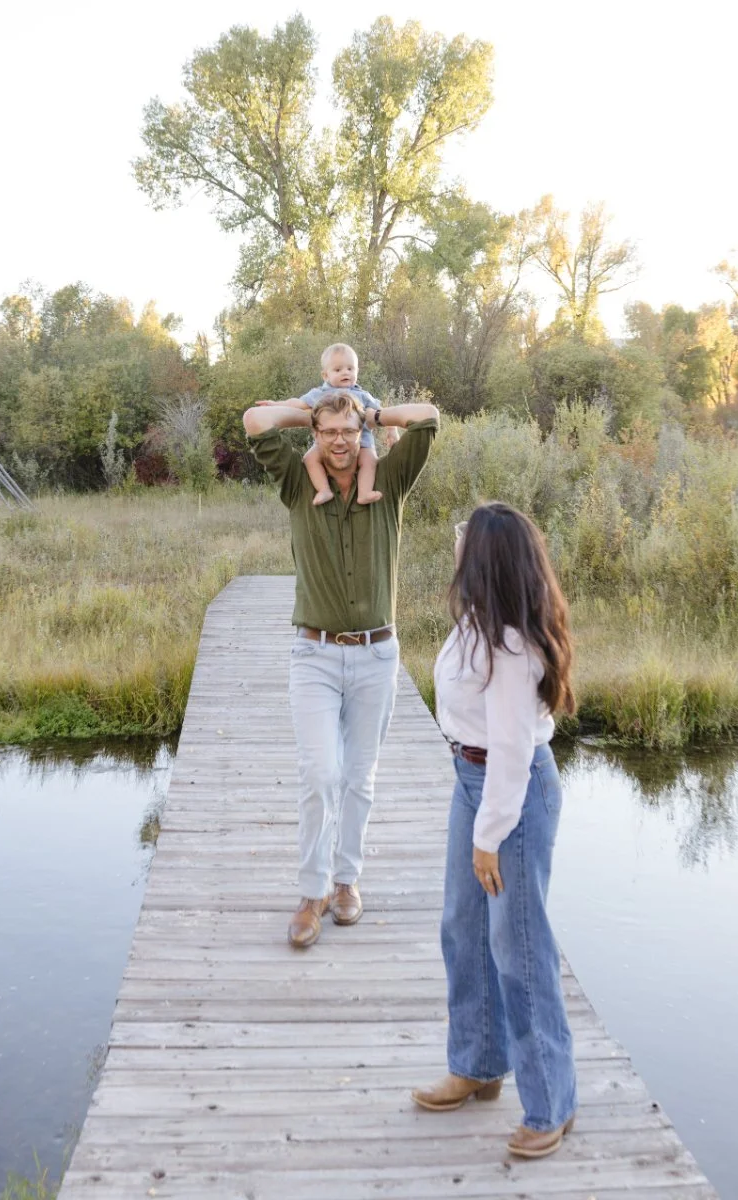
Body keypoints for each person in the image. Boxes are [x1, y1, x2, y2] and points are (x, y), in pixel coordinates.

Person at [242, 389, 439, 949]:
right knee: (320, 776)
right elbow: (256, 421)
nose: (338, 441)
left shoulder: (389, 482)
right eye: (327, 432)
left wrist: (369, 413)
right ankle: (313, 892)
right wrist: (311, 412)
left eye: (347, 432)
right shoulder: (298, 482)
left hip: (378, 655)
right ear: (315, 434)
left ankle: (347, 880)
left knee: (360, 778)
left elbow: (428, 418)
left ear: (361, 433)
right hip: (315, 656)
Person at [412, 502, 578, 1159]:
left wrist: (490, 833)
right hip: (471, 782)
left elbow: (512, 749)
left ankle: (551, 1103)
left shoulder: (509, 644)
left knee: (521, 946)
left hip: (512, 795)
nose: (454, 545)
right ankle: (479, 1062)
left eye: (463, 540)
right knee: (463, 924)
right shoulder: (476, 623)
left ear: (484, 557)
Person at [259, 343, 393, 506]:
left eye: (350, 369)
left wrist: (392, 431)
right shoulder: (320, 394)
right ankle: (324, 489)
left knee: (370, 461)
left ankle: (364, 493)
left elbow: (383, 414)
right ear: (325, 375)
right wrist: (276, 404)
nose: (345, 373)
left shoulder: (363, 395)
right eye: (338, 370)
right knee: (309, 458)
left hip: (362, 442)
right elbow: (298, 403)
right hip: (326, 442)